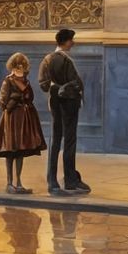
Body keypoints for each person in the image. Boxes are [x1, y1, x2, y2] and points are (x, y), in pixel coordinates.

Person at [38, 27, 90, 196]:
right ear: (66, 41)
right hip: (69, 104)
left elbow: (44, 85)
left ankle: (52, 180)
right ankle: (70, 179)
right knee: (69, 140)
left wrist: (55, 88)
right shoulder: (66, 60)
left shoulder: (47, 59)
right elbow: (76, 83)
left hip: (54, 102)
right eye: (71, 40)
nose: (73, 43)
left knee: (55, 139)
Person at [0, 51, 46, 194]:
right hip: (11, 118)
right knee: (10, 150)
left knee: (21, 150)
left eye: (22, 65)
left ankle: (18, 182)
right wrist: (13, 100)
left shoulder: (26, 80)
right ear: (13, 66)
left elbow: (30, 98)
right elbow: (1, 103)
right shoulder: (8, 80)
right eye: (17, 65)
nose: (20, 68)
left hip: (24, 119)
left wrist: (26, 97)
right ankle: (9, 183)